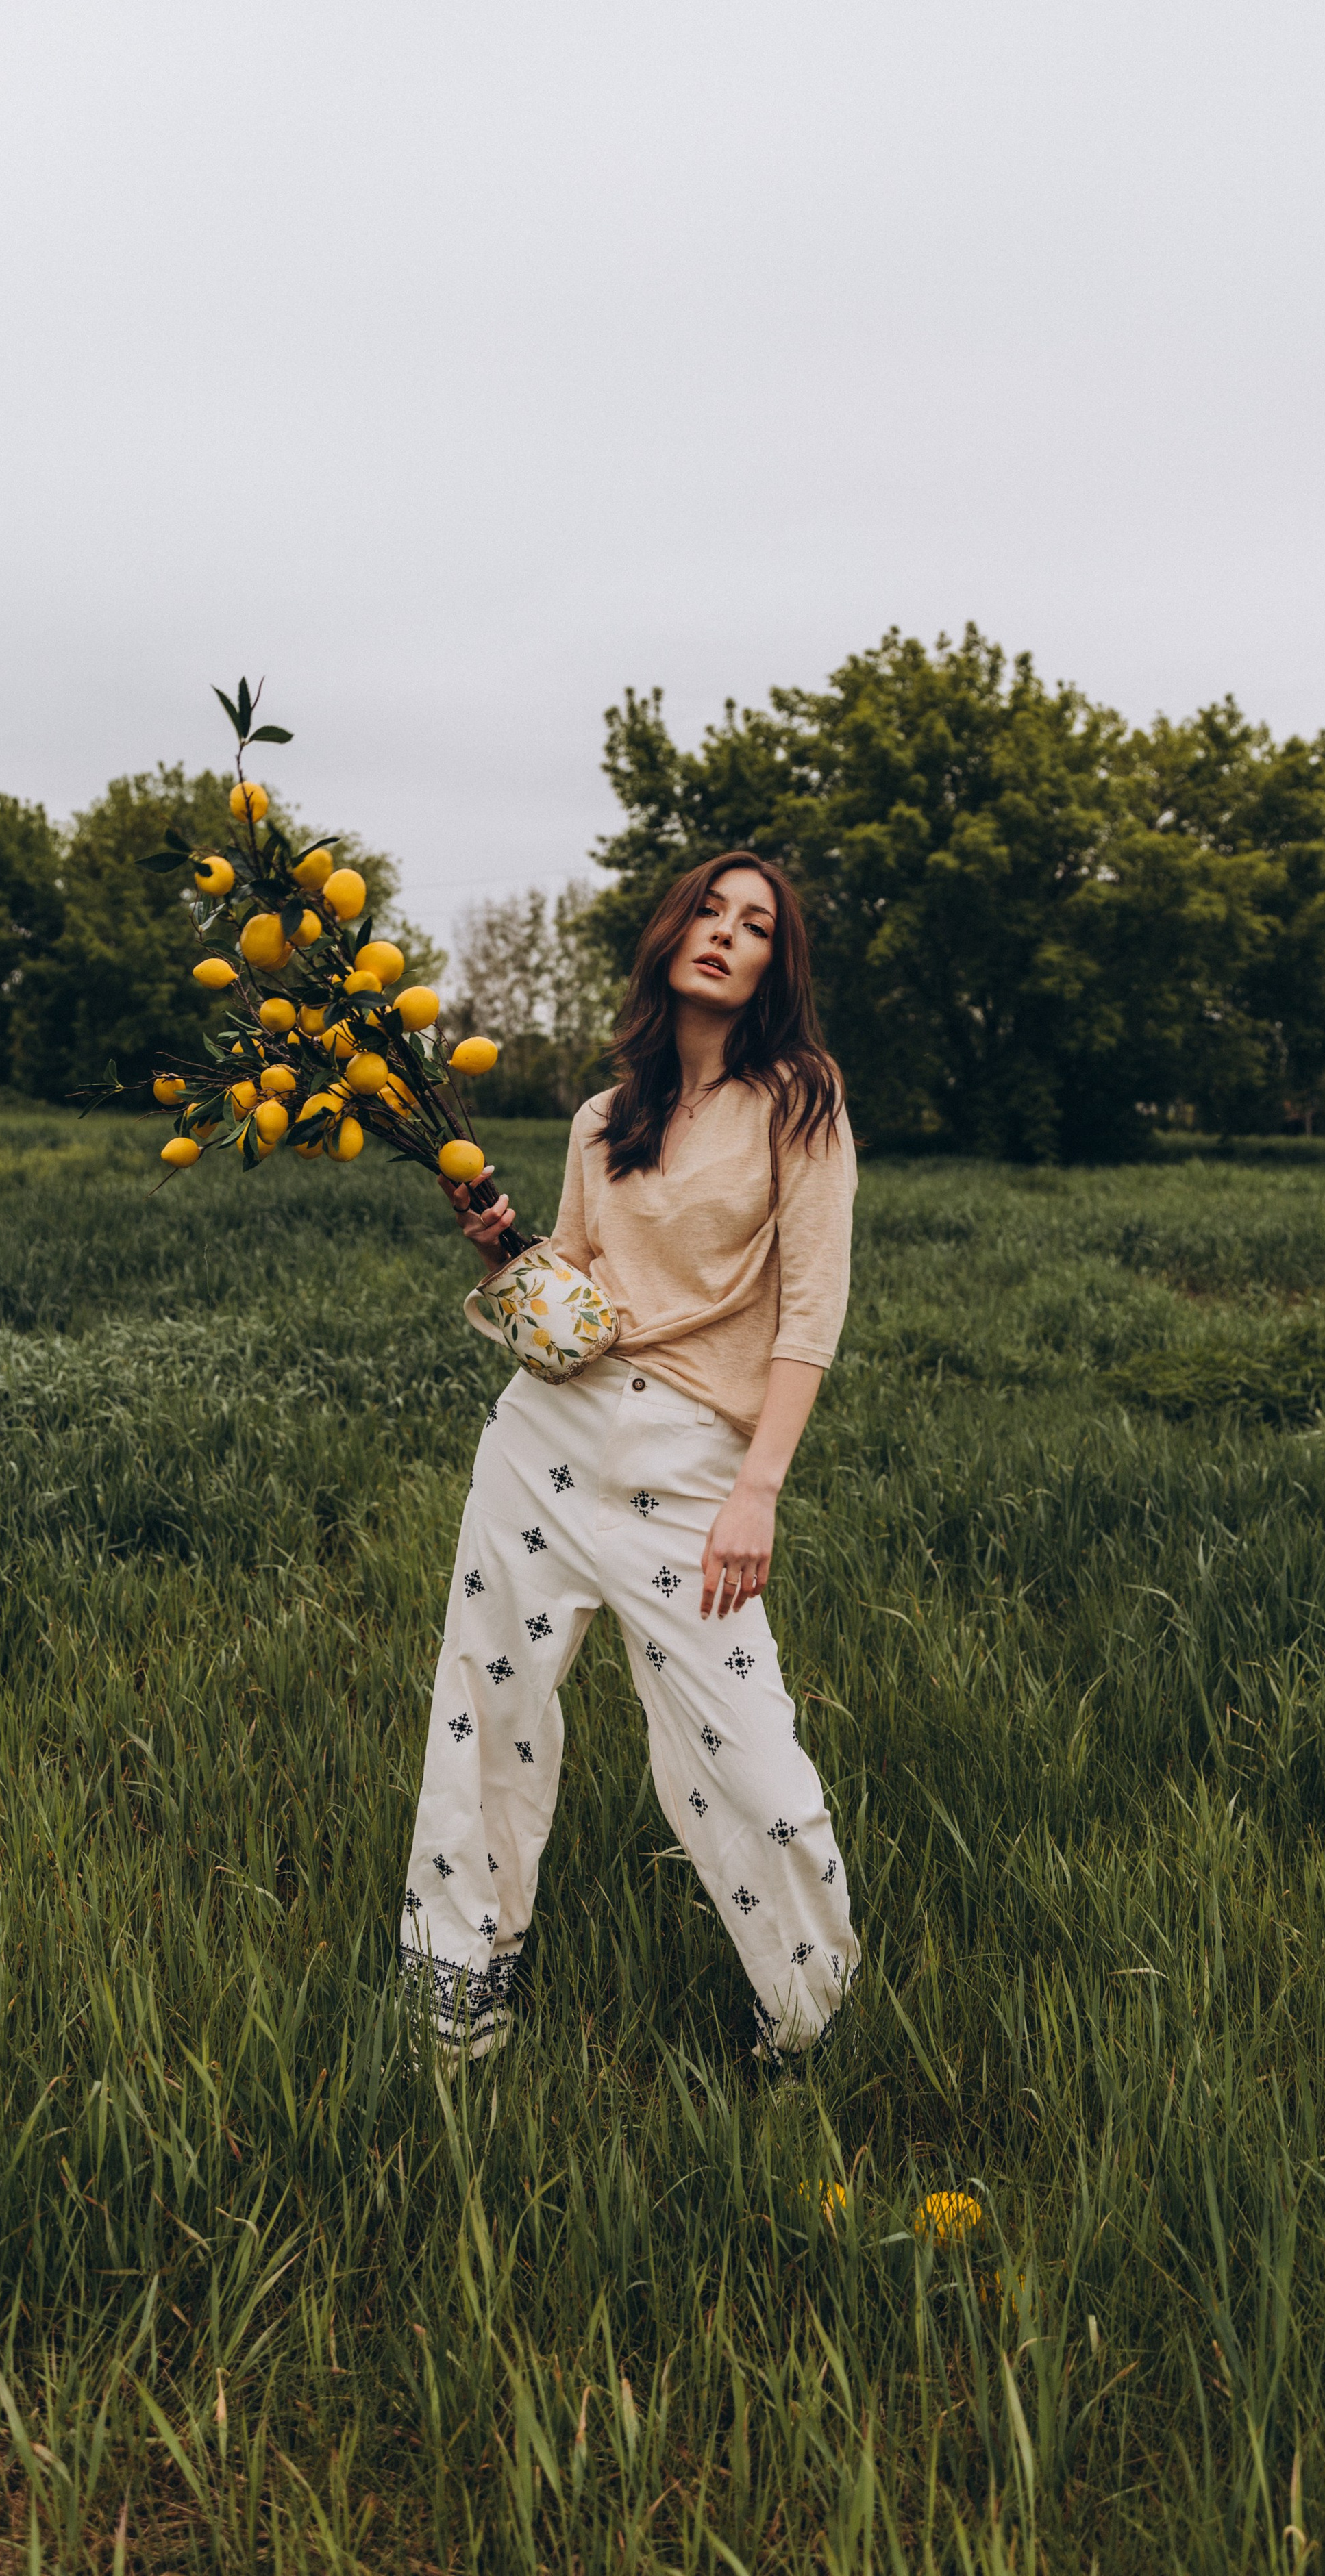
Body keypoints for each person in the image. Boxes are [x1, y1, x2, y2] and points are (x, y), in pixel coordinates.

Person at [398, 851, 860, 2065]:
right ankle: (460, 1985)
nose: (725, 932)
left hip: (696, 1465)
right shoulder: (605, 1118)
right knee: (488, 1704)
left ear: (774, 967)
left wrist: (758, 1491)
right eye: (708, 910)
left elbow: (812, 1309)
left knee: (749, 1756)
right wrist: (505, 1253)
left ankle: (808, 2020)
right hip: (544, 1441)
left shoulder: (800, 1099)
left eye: (755, 925)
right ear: (671, 933)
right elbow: (578, 1286)